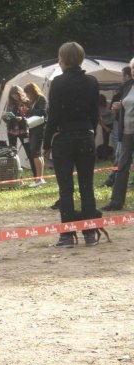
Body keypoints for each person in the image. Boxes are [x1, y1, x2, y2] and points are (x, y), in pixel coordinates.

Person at [43, 42, 101, 247]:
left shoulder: (58, 82)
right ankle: (90, 232)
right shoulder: (92, 82)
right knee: (87, 187)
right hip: (86, 136)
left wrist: (45, 142)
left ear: (63, 59)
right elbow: (95, 114)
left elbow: (53, 115)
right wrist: (90, 132)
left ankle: (67, 235)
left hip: (64, 139)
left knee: (65, 189)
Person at [102, 57, 134, 212]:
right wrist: (118, 106)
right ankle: (116, 202)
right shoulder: (128, 86)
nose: (133, 71)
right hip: (128, 132)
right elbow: (127, 103)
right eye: (132, 69)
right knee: (122, 167)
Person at [24, 82, 48, 187]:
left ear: (33, 91)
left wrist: (31, 112)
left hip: (39, 129)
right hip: (33, 128)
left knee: (35, 153)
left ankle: (39, 179)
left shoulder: (41, 99)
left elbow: (42, 112)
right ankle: (40, 178)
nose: (27, 95)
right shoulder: (33, 101)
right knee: (37, 153)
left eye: (28, 93)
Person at [2, 85, 31, 172]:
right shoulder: (10, 104)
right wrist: (5, 117)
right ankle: (14, 173)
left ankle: (36, 175)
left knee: (29, 151)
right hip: (11, 131)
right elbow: (7, 118)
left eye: (16, 94)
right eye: (12, 94)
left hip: (23, 131)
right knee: (12, 152)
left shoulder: (26, 102)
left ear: (20, 93)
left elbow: (30, 116)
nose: (14, 96)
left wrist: (22, 119)